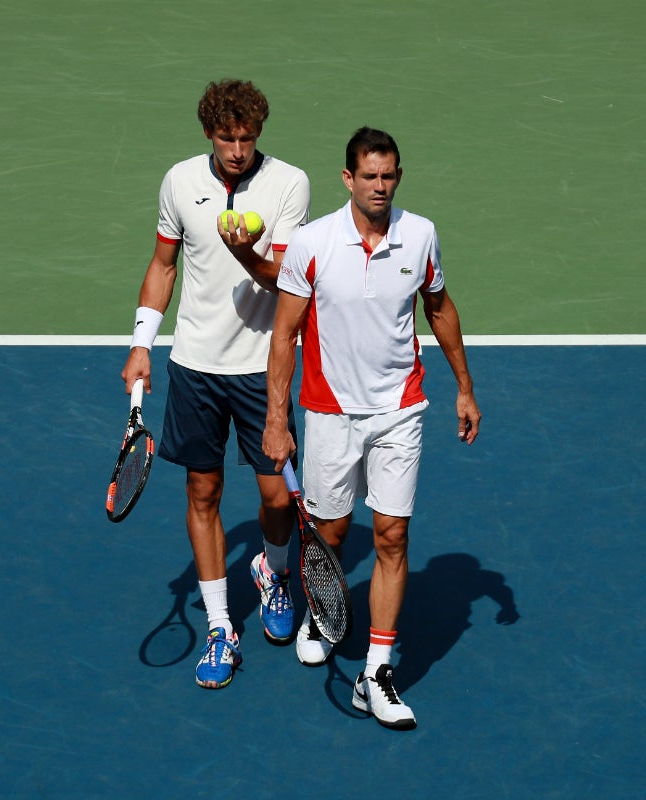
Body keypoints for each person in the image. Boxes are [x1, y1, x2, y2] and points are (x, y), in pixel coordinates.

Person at [263, 127, 482, 730]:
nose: (380, 186)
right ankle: (325, 612)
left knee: (391, 537)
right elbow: (284, 335)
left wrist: (464, 387)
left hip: (400, 410)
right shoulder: (311, 245)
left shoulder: (422, 235)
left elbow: (438, 308)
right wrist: (277, 419)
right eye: (369, 176)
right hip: (330, 413)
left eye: (389, 176)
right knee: (330, 534)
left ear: (398, 178)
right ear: (348, 179)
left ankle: (376, 671)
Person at [122, 79, 311, 690]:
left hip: (263, 365)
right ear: (210, 133)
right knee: (202, 493)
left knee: (278, 497)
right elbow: (163, 263)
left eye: (247, 138)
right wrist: (141, 344)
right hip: (196, 366)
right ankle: (221, 627)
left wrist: (244, 254)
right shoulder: (179, 181)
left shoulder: (289, 184)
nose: (237, 149)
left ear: (260, 134)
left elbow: (285, 278)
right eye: (227, 138)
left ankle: (272, 571)